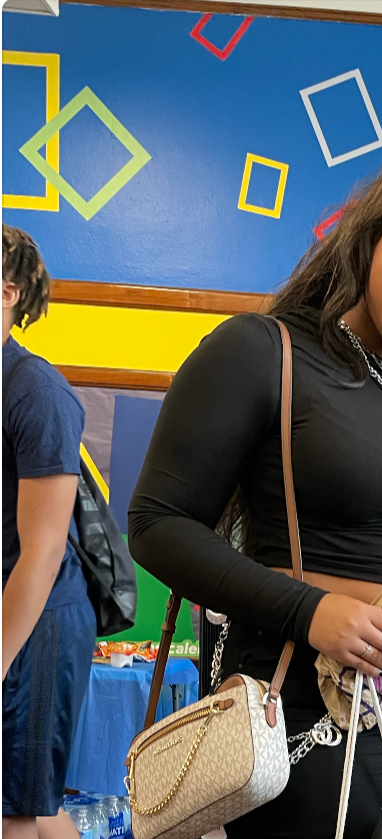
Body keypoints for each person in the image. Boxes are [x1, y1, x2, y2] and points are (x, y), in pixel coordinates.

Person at [128, 111, 382, 839]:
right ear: (375, 230)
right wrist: (313, 611)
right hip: (307, 697)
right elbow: (157, 525)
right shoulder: (262, 351)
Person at [2, 225, 96, 839]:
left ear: (7, 293)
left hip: (37, 622)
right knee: (29, 808)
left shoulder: (36, 390)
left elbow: (40, 552)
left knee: (19, 812)